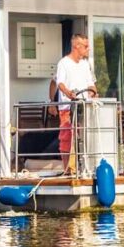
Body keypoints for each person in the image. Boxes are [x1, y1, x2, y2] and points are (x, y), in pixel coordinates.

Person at [54, 33, 97, 175]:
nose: (88, 49)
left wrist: (94, 93)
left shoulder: (85, 64)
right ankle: (67, 169)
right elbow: (60, 83)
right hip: (68, 107)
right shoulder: (64, 63)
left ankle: (85, 167)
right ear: (77, 46)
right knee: (66, 137)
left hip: (84, 107)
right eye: (86, 46)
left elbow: (91, 83)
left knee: (84, 136)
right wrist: (69, 93)